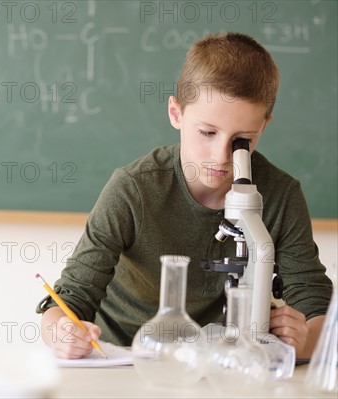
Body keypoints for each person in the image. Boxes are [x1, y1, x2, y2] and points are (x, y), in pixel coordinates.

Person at [36, 32, 334, 360]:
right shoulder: (132, 189)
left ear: (264, 126)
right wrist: (61, 332)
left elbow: (316, 306)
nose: (221, 156)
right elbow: (67, 301)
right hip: (123, 359)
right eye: (207, 132)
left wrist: (303, 339)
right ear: (176, 113)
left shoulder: (281, 195)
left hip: (223, 364)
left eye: (242, 141)